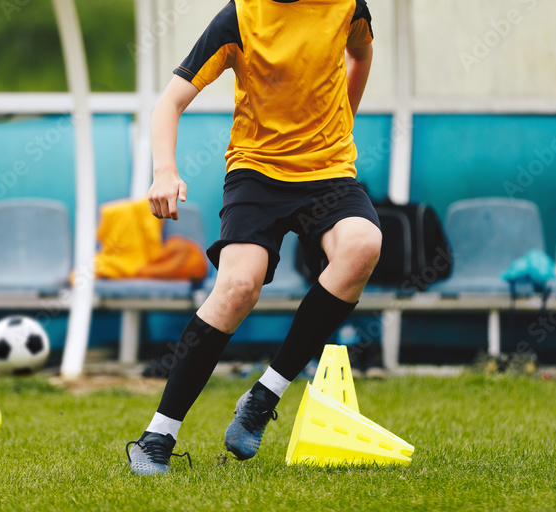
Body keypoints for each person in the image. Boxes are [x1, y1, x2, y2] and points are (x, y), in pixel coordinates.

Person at [127, 0, 379, 476]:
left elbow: (360, 56)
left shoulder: (348, 6)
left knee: (363, 245)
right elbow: (170, 102)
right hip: (257, 174)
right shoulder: (239, 16)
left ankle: (264, 396)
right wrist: (164, 172)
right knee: (240, 285)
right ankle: (157, 435)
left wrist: (343, 121)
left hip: (329, 174)